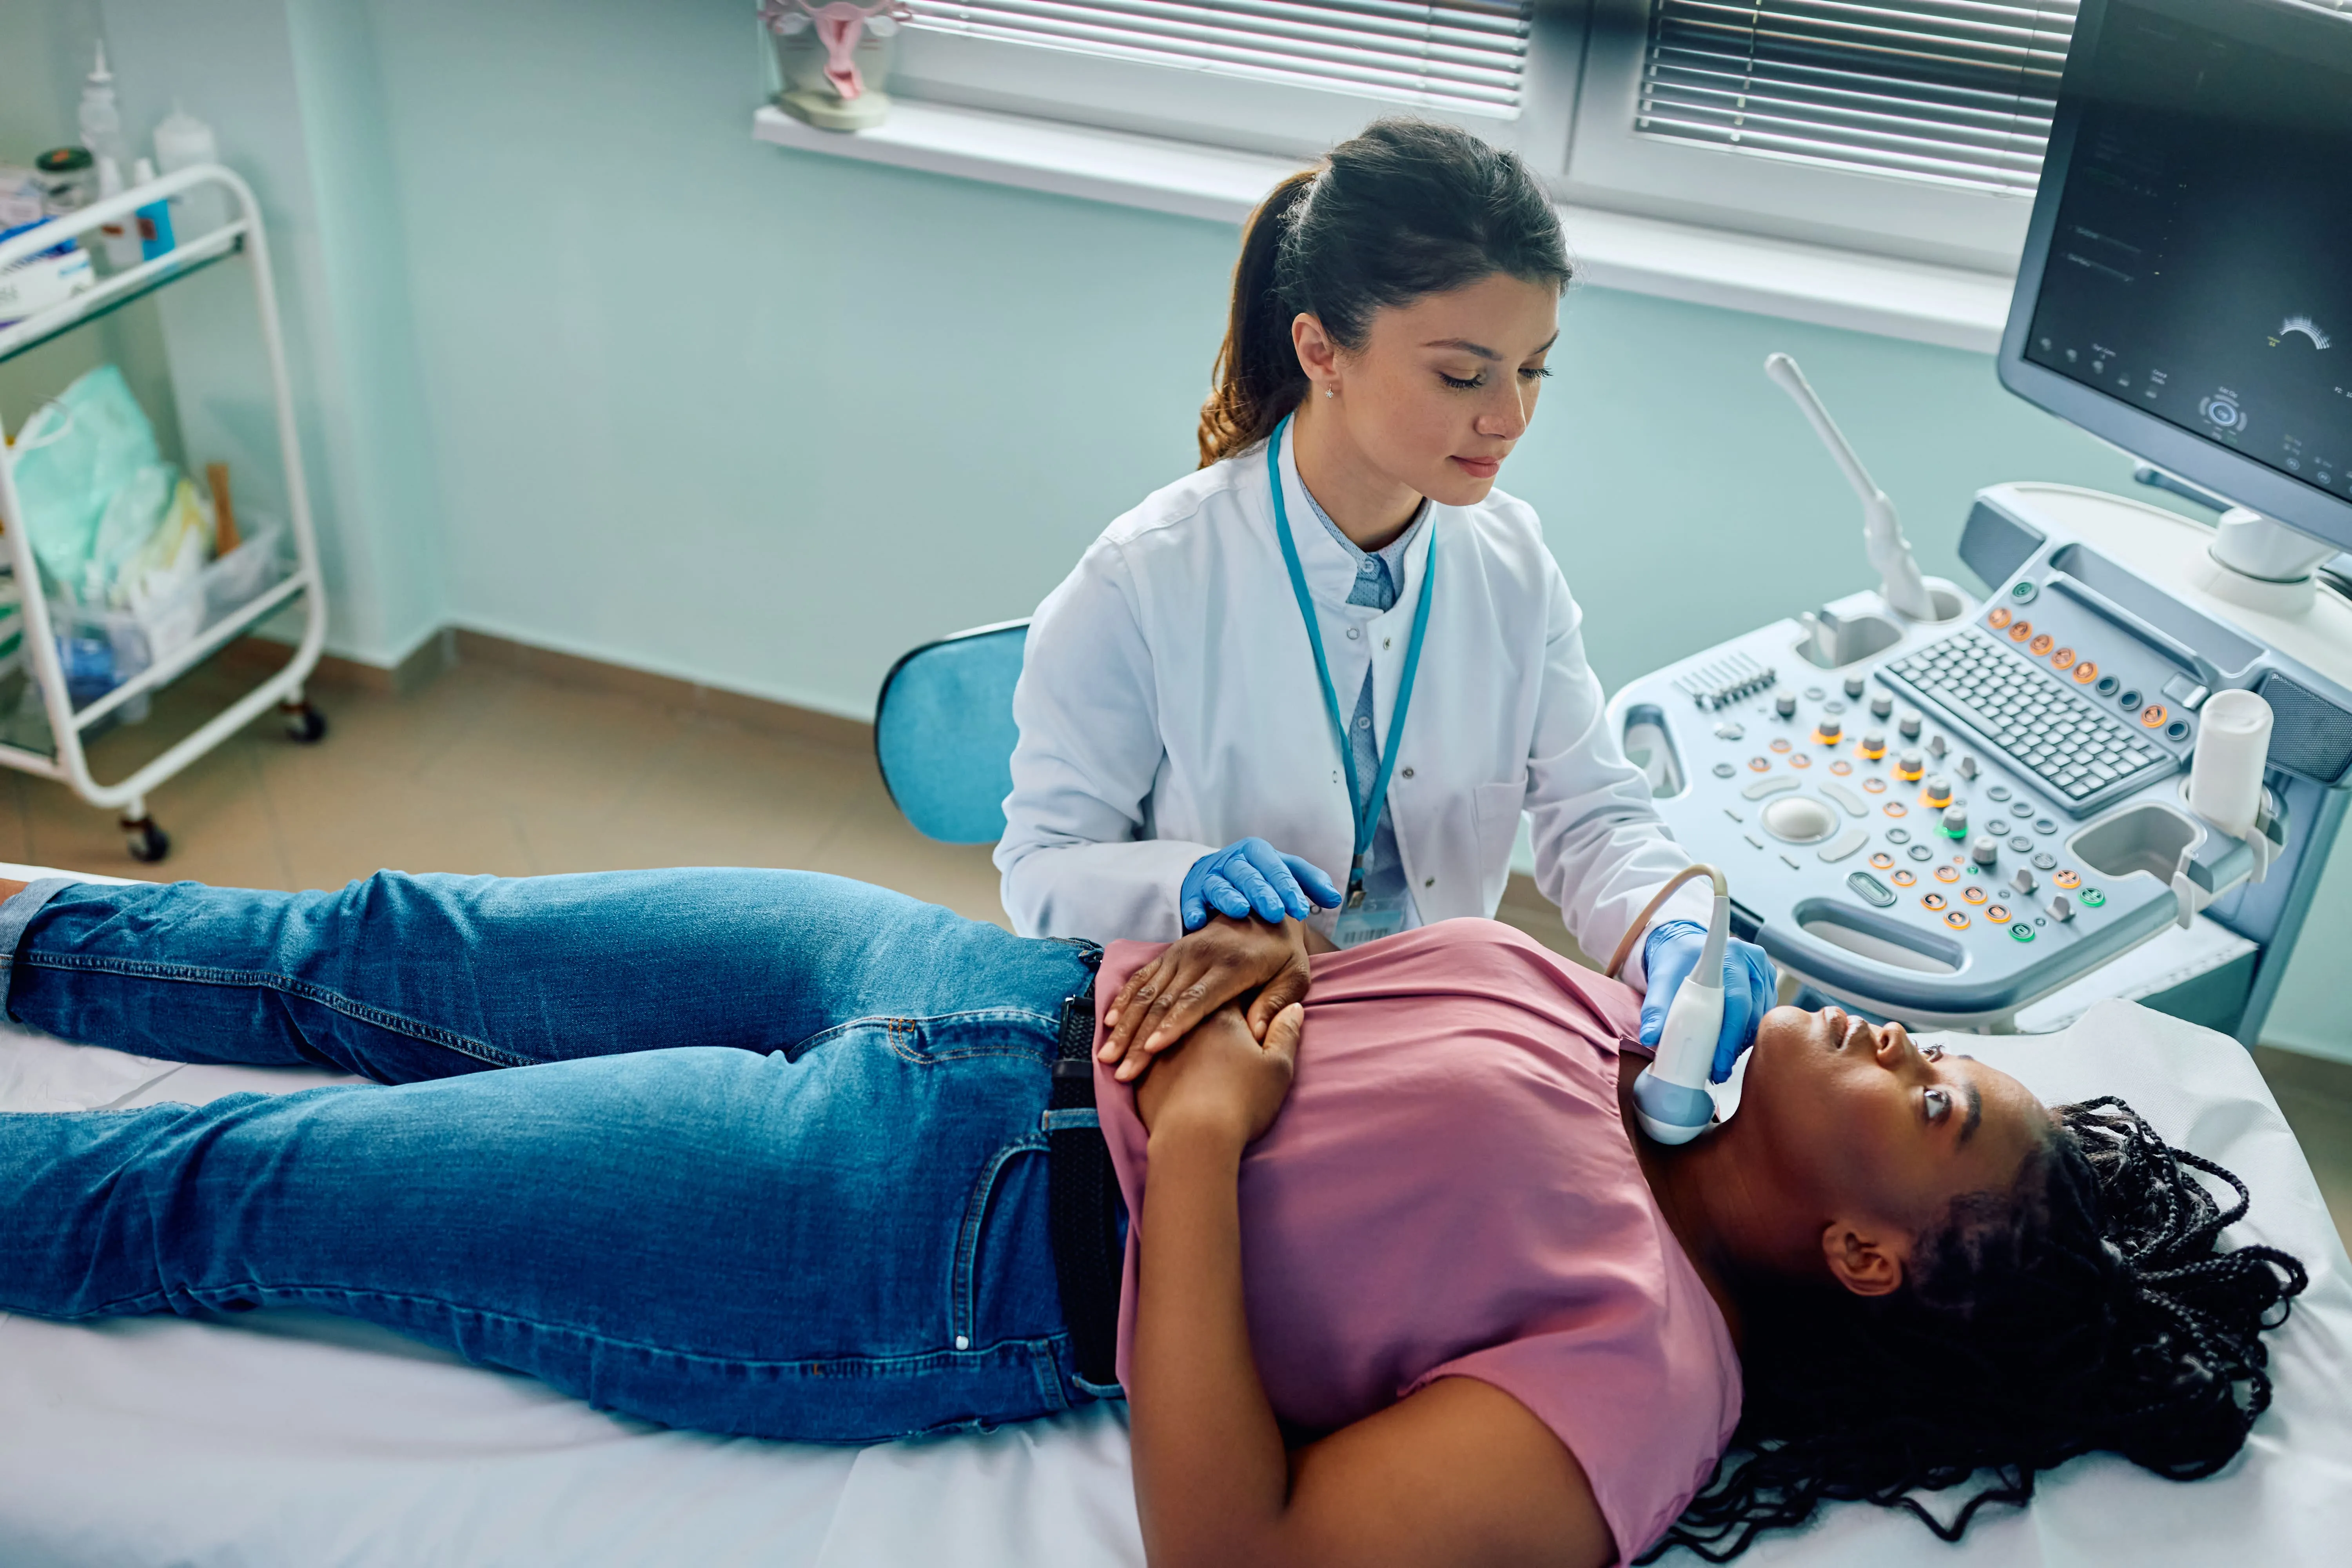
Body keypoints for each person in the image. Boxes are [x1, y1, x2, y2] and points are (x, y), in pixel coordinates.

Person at [0, 867, 2305, 1567]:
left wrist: (1198, 1149)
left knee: (237, 1194)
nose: (1898, 1042)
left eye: (1932, 1100)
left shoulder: (1646, 1374)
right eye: (1937, 1047)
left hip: (917, 1236)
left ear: (1874, 1255)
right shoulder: (1620, 1023)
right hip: (949, 976)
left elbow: (1249, 1560)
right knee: (363, 947)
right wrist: (1258, 952)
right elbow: (1353, 1015)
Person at [995, 118, 1773, 1078]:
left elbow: (1593, 813)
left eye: (1534, 368)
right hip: (1232, 1042)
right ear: (1323, 351)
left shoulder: (1511, 564)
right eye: (1462, 374)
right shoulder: (1146, 576)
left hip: (1433, 1032)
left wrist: (1676, 925)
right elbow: (1040, 873)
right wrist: (1182, 881)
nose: (1511, 417)